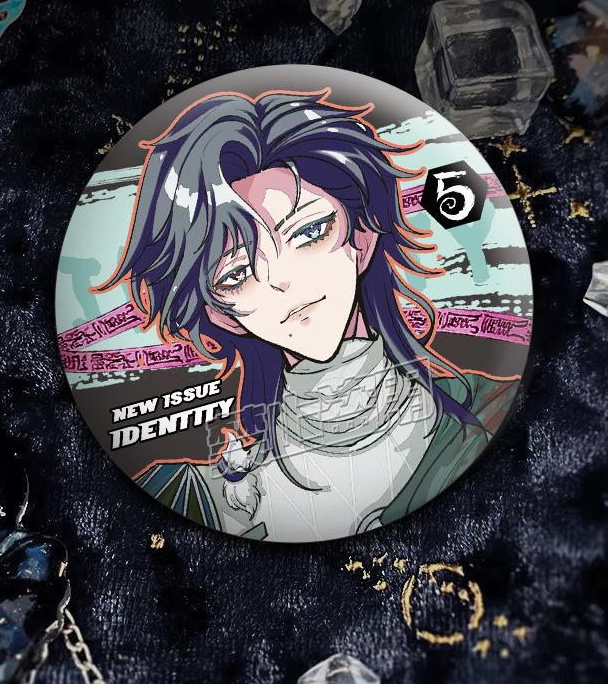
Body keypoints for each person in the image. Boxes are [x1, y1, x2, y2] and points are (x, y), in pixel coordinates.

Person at [100, 89, 518, 541]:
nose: (284, 281)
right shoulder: (192, 496)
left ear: (362, 237)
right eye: (237, 274)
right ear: (222, 315)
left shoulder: (490, 409)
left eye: (310, 232)